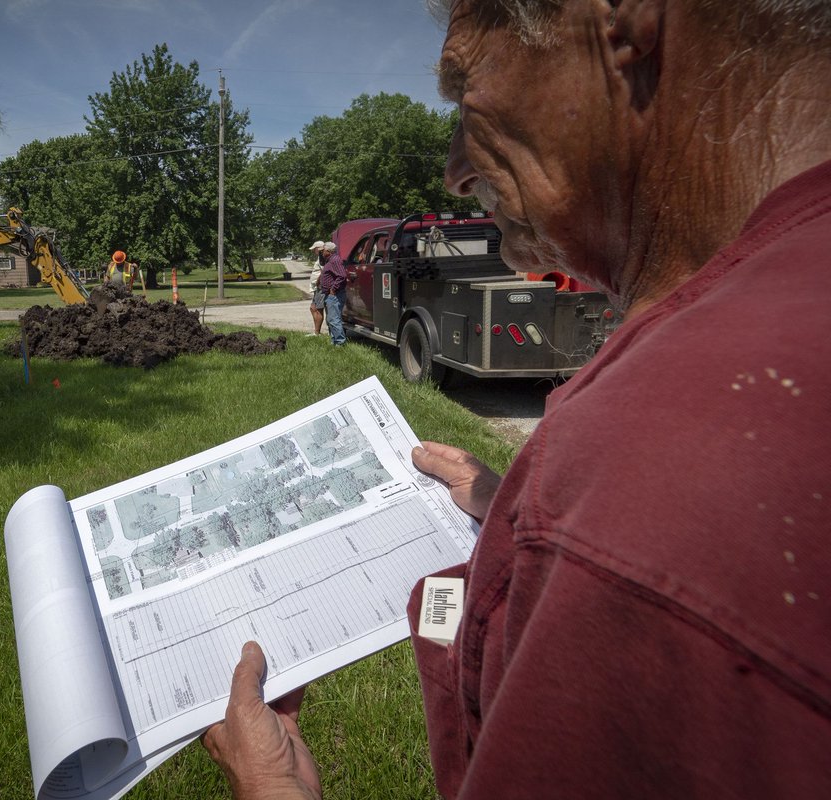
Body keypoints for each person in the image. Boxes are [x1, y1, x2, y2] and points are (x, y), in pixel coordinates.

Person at [203, 1, 831, 797]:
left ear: (618, 17)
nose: (454, 168)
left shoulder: (651, 464)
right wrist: (516, 513)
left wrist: (275, 793)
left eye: (464, 85)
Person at [316, 242, 346, 346]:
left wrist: (333, 289)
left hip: (334, 295)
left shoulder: (335, 260)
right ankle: (334, 341)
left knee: (334, 319)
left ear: (328, 251)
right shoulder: (329, 260)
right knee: (331, 319)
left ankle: (339, 343)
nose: (322, 251)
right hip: (328, 294)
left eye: (323, 250)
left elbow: (342, 276)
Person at [306, 240, 327, 336]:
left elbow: (324, 271)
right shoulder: (319, 258)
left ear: (318, 249)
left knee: (318, 309)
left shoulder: (323, 258)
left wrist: (318, 282)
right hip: (316, 288)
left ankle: (317, 332)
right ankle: (316, 331)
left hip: (320, 287)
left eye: (314, 249)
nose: (313, 251)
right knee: (312, 308)